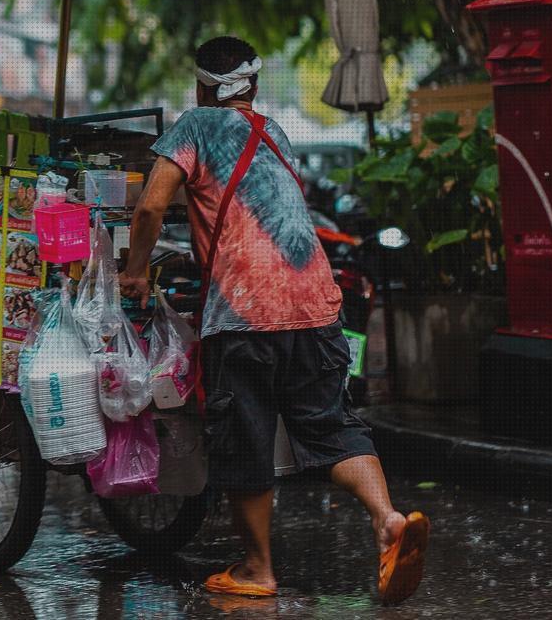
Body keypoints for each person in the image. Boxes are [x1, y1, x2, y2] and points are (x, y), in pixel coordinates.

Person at [118, 37, 429, 606]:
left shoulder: (195, 126)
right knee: (331, 426)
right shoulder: (275, 134)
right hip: (316, 304)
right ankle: (387, 518)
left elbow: (150, 206)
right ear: (256, 87)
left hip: (244, 313)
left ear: (201, 87)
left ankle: (257, 570)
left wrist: (136, 272)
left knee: (245, 440)